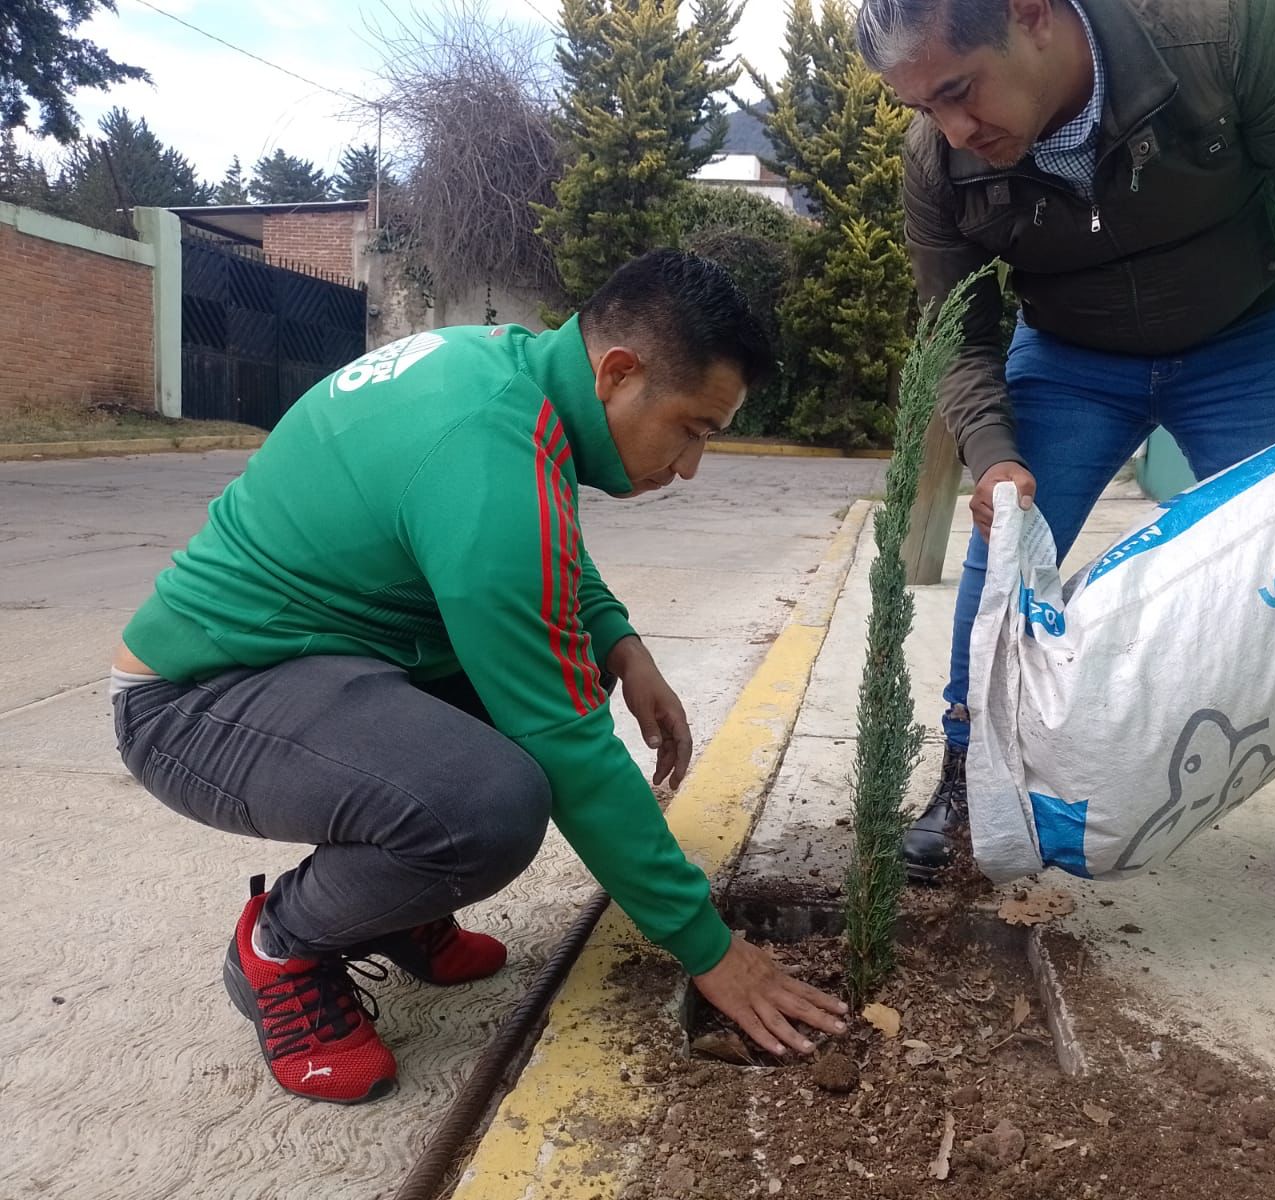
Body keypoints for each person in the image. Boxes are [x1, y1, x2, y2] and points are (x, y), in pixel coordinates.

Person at [110, 250, 847, 1104]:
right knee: (484, 807)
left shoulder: (510, 377)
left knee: (552, 678)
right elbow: (567, 745)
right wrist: (709, 949)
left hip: (320, 664)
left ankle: (395, 907)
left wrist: (622, 645)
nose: (688, 468)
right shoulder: (489, 446)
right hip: (197, 699)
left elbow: (537, 557)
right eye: (692, 429)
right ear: (618, 373)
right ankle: (281, 947)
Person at [855, 0, 1275, 924]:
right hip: (1073, 355)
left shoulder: (1222, 28)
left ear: (1030, 14)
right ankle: (964, 781)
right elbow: (958, 328)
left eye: (957, 90)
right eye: (923, 107)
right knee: (1005, 548)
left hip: (1249, 332)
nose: (950, 129)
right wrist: (992, 453)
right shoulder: (937, 159)